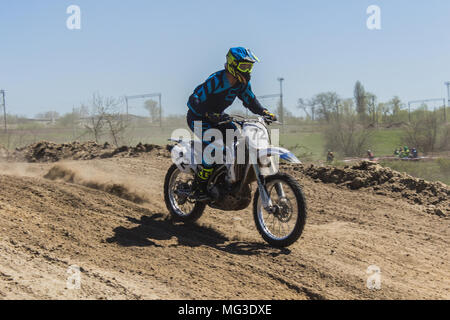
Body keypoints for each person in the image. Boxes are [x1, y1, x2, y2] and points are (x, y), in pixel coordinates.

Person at [186, 47, 277, 200]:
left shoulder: (241, 84)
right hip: (198, 117)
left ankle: (227, 179)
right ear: (232, 65)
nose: (247, 71)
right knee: (215, 149)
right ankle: (199, 186)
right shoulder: (216, 80)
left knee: (239, 144)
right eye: (244, 66)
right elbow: (193, 99)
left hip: (220, 118)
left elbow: (250, 100)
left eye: (249, 67)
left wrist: (264, 112)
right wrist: (207, 113)